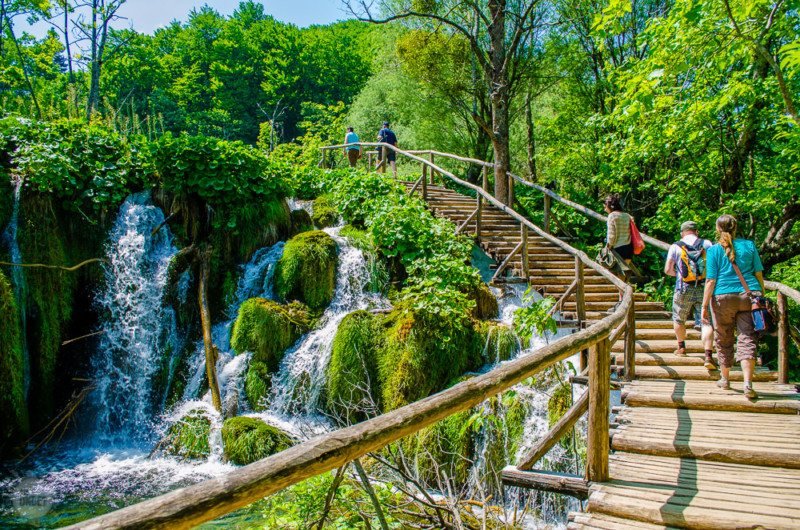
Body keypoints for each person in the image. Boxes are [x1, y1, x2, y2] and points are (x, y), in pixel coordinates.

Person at [701, 215, 765, 399]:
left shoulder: (713, 250)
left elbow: (711, 280)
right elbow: (758, 274)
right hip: (749, 296)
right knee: (747, 338)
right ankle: (747, 383)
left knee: (723, 337)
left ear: (717, 228)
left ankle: (725, 379)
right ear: (735, 227)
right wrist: (761, 296)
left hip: (722, 296)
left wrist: (705, 305)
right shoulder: (749, 245)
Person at [664, 221, 715, 368]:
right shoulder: (707, 244)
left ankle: (681, 347)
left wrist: (680, 275)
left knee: (679, 318)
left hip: (683, 287)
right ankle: (708, 356)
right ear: (696, 231)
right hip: (704, 287)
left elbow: (668, 269)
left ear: (682, 232)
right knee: (706, 321)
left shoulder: (676, 246)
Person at [603, 194, 633, 268]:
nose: (605, 209)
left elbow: (611, 235)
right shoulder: (627, 216)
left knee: (613, 274)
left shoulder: (612, 216)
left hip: (618, 248)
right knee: (623, 273)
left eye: (605, 207)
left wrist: (608, 247)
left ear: (609, 206)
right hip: (628, 247)